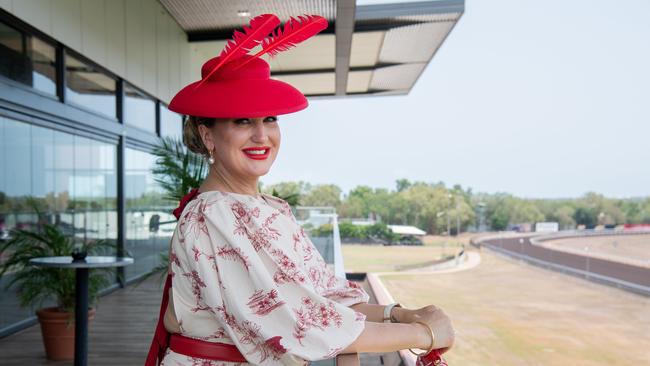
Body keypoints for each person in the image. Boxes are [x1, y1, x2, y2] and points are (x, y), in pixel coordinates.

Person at [145, 13, 455, 366]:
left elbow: (324, 295)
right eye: (243, 120)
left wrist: (397, 314)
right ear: (207, 135)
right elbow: (299, 323)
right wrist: (424, 334)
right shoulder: (214, 214)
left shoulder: (268, 207)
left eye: (270, 119)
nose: (262, 135)